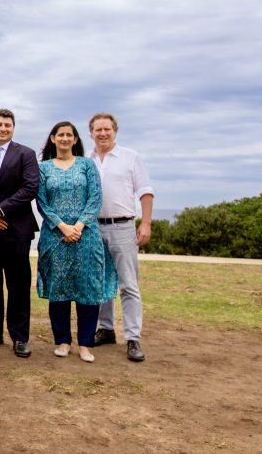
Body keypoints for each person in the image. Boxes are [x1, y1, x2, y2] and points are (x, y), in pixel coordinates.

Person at [36, 121, 117, 363]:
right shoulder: (44, 168)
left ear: (75, 139)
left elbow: (95, 198)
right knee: (58, 288)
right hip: (55, 235)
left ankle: (85, 344)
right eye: (60, 134)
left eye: (69, 135)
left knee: (87, 288)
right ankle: (62, 341)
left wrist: (79, 226)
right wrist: (62, 226)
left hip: (86, 235)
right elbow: (41, 201)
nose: (64, 138)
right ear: (53, 138)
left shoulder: (86, 164)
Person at [88, 113, 155, 362]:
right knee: (101, 282)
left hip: (123, 225)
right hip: (94, 228)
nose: (103, 133)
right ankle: (105, 329)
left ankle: (133, 337)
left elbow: (145, 191)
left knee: (128, 284)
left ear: (114, 131)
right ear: (91, 133)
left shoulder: (130, 157)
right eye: (98, 129)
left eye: (107, 129)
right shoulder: (88, 160)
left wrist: (145, 222)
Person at [0, 109, 40, 358]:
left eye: (7, 125)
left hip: (17, 229)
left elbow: (30, 187)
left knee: (18, 285)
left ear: (13, 128)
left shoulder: (26, 154)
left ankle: (20, 337)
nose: (2, 129)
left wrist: (1, 210)